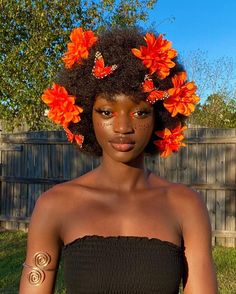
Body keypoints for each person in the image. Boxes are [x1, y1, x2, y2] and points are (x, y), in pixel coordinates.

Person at [19, 27, 217, 293]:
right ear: (86, 114)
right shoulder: (54, 206)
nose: (123, 127)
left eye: (140, 113)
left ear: (160, 116)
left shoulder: (185, 206)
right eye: (106, 112)